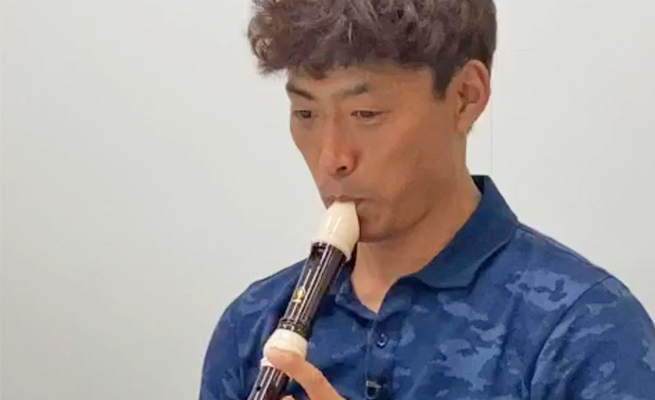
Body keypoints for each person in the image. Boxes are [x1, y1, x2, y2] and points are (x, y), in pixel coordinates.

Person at [200, 1, 655, 399]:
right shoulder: (252, 325)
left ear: (465, 97)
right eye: (306, 113)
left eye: (365, 114)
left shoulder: (586, 328)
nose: (331, 158)